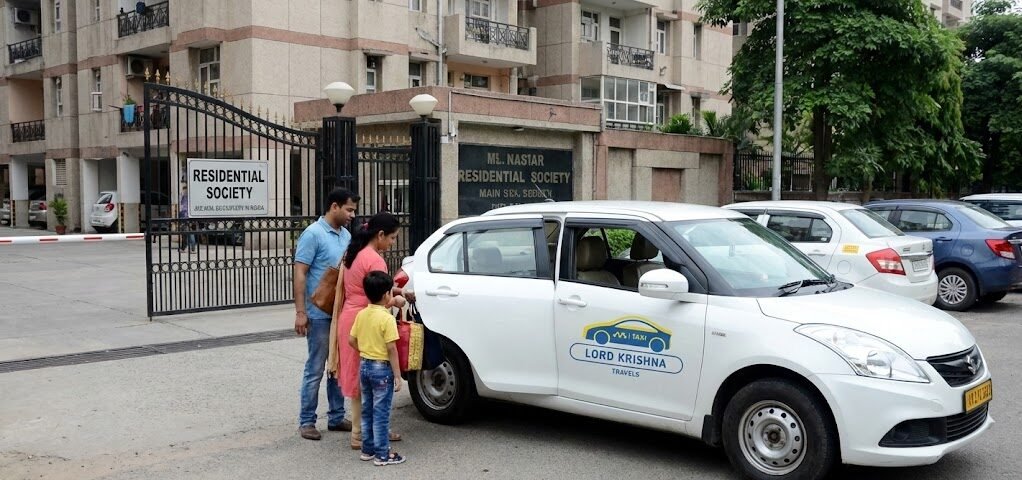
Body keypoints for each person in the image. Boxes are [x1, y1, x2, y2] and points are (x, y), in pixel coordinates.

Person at [338, 212, 410, 450]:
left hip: (351, 318)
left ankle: (364, 431)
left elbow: (367, 290)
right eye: (392, 238)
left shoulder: (354, 252)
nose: (392, 243)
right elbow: (379, 297)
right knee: (375, 382)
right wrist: (396, 301)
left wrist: (396, 294)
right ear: (380, 235)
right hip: (370, 319)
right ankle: (362, 434)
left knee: (359, 378)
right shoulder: (375, 260)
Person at [293, 188, 359, 440]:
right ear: (334, 206)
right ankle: (307, 421)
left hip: (339, 311)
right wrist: (301, 312)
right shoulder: (313, 234)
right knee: (316, 367)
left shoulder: (345, 235)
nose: (352, 215)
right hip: (318, 312)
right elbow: (300, 273)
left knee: (336, 366)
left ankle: (335, 416)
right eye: (349, 209)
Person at [349, 271, 406, 466]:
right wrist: (397, 375)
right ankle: (383, 453)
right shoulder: (387, 319)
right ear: (386, 295)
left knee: (367, 410)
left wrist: (365, 351)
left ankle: (368, 449)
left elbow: (351, 340)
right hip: (381, 369)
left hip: (365, 365)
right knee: (381, 412)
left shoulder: (362, 314)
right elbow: (391, 349)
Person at [178, 185, 196, 253]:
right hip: (190, 216)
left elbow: (181, 207)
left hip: (184, 216)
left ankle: (184, 248)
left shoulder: (184, 197)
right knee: (191, 233)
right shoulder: (191, 197)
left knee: (185, 233)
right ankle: (192, 248)